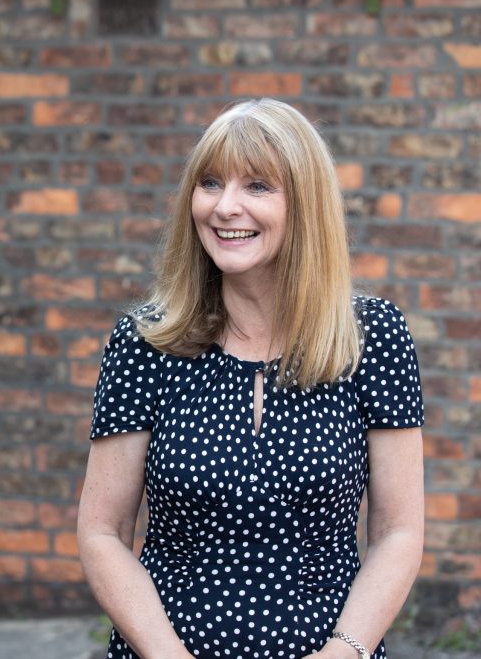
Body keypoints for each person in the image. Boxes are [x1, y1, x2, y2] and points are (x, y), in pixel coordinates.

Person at [77, 98, 424, 659]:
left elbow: (398, 533)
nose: (225, 206)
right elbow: (102, 534)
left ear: (305, 206)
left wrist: (343, 652)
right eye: (210, 183)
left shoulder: (372, 336)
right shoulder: (146, 343)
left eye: (258, 186)